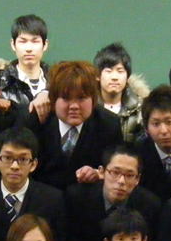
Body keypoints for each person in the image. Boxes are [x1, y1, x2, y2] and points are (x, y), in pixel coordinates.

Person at [29, 60, 123, 190]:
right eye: (66, 98)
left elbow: (116, 169)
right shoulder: (38, 119)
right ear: (53, 99)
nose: (74, 106)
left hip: (87, 196)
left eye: (81, 98)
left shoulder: (109, 125)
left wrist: (98, 173)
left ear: (93, 100)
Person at [64, 145, 161, 241]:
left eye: (129, 175)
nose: (121, 181)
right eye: (115, 172)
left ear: (138, 179)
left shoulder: (150, 205)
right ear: (102, 172)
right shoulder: (77, 198)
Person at [0, 14, 52, 122]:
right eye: (23, 41)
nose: (29, 48)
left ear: (45, 45)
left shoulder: (57, 81)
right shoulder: (1, 82)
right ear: (13, 44)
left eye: (35, 41)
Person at [94, 42, 148, 143]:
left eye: (120, 71)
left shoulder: (140, 109)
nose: (114, 77)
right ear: (98, 76)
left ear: (127, 76)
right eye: (108, 71)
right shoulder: (88, 107)